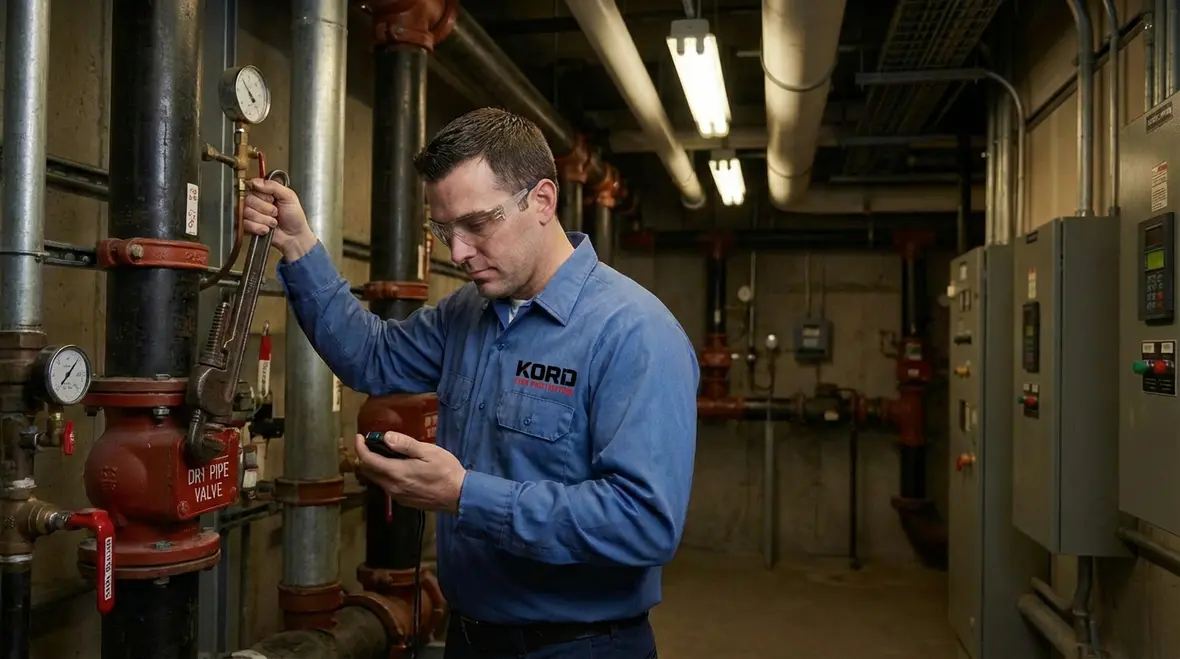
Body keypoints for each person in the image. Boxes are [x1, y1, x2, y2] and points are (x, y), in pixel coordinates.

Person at [243, 107, 699, 658]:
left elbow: (644, 522)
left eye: (478, 225)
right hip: (468, 636)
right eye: (444, 230)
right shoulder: (470, 311)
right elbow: (374, 358)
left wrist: (466, 495)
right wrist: (298, 247)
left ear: (543, 201)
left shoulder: (635, 334)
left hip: (579, 646)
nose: (458, 253)